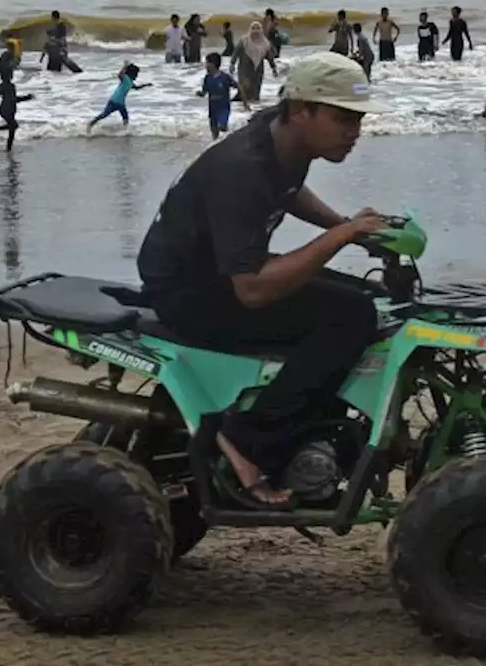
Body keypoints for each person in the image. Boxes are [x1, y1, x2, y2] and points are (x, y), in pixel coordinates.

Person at [136, 52, 389, 506]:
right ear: (300, 110)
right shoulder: (242, 169)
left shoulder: (286, 144)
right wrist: (342, 234)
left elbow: (288, 190)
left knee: (362, 294)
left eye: (359, 119)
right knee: (350, 318)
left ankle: (314, 421)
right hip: (190, 291)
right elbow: (251, 290)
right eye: (342, 118)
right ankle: (246, 439)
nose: (354, 132)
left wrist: (344, 224)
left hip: (215, 267)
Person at [87, 63, 152, 131]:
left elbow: (137, 88)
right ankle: (91, 123)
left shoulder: (130, 82)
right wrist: (125, 66)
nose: (137, 76)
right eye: (136, 74)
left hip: (121, 104)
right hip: (114, 101)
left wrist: (146, 85)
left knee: (125, 118)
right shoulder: (125, 78)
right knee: (104, 114)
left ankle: (125, 131)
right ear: (131, 74)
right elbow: (119, 75)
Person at [230, 21, 279, 107]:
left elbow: (269, 57)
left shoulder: (265, 43)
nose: (255, 31)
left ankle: (254, 109)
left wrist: (274, 68)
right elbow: (236, 52)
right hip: (244, 69)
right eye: (253, 28)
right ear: (250, 29)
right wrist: (232, 64)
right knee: (245, 86)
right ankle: (241, 107)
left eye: (258, 28)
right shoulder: (244, 41)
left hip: (258, 71)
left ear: (261, 30)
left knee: (255, 92)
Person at [198, 52, 242, 139]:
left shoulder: (225, 77)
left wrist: (245, 103)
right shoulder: (207, 78)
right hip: (212, 108)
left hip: (223, 107)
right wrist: (200, 93)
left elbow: (239, 87)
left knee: (222, 126)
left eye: (207, 63)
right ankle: (215, 144)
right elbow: (204, 92)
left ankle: (232, 137)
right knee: (214, 132)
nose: (205, 65)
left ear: (213, 64)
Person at [0, 80, 35, 151]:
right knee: (14, 126)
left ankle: (8, 148)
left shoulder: (3, 86)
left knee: (12, 129)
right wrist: (27, 98)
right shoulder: (8, 86)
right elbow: (13, 99)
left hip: (9, 109)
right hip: (6, 110)